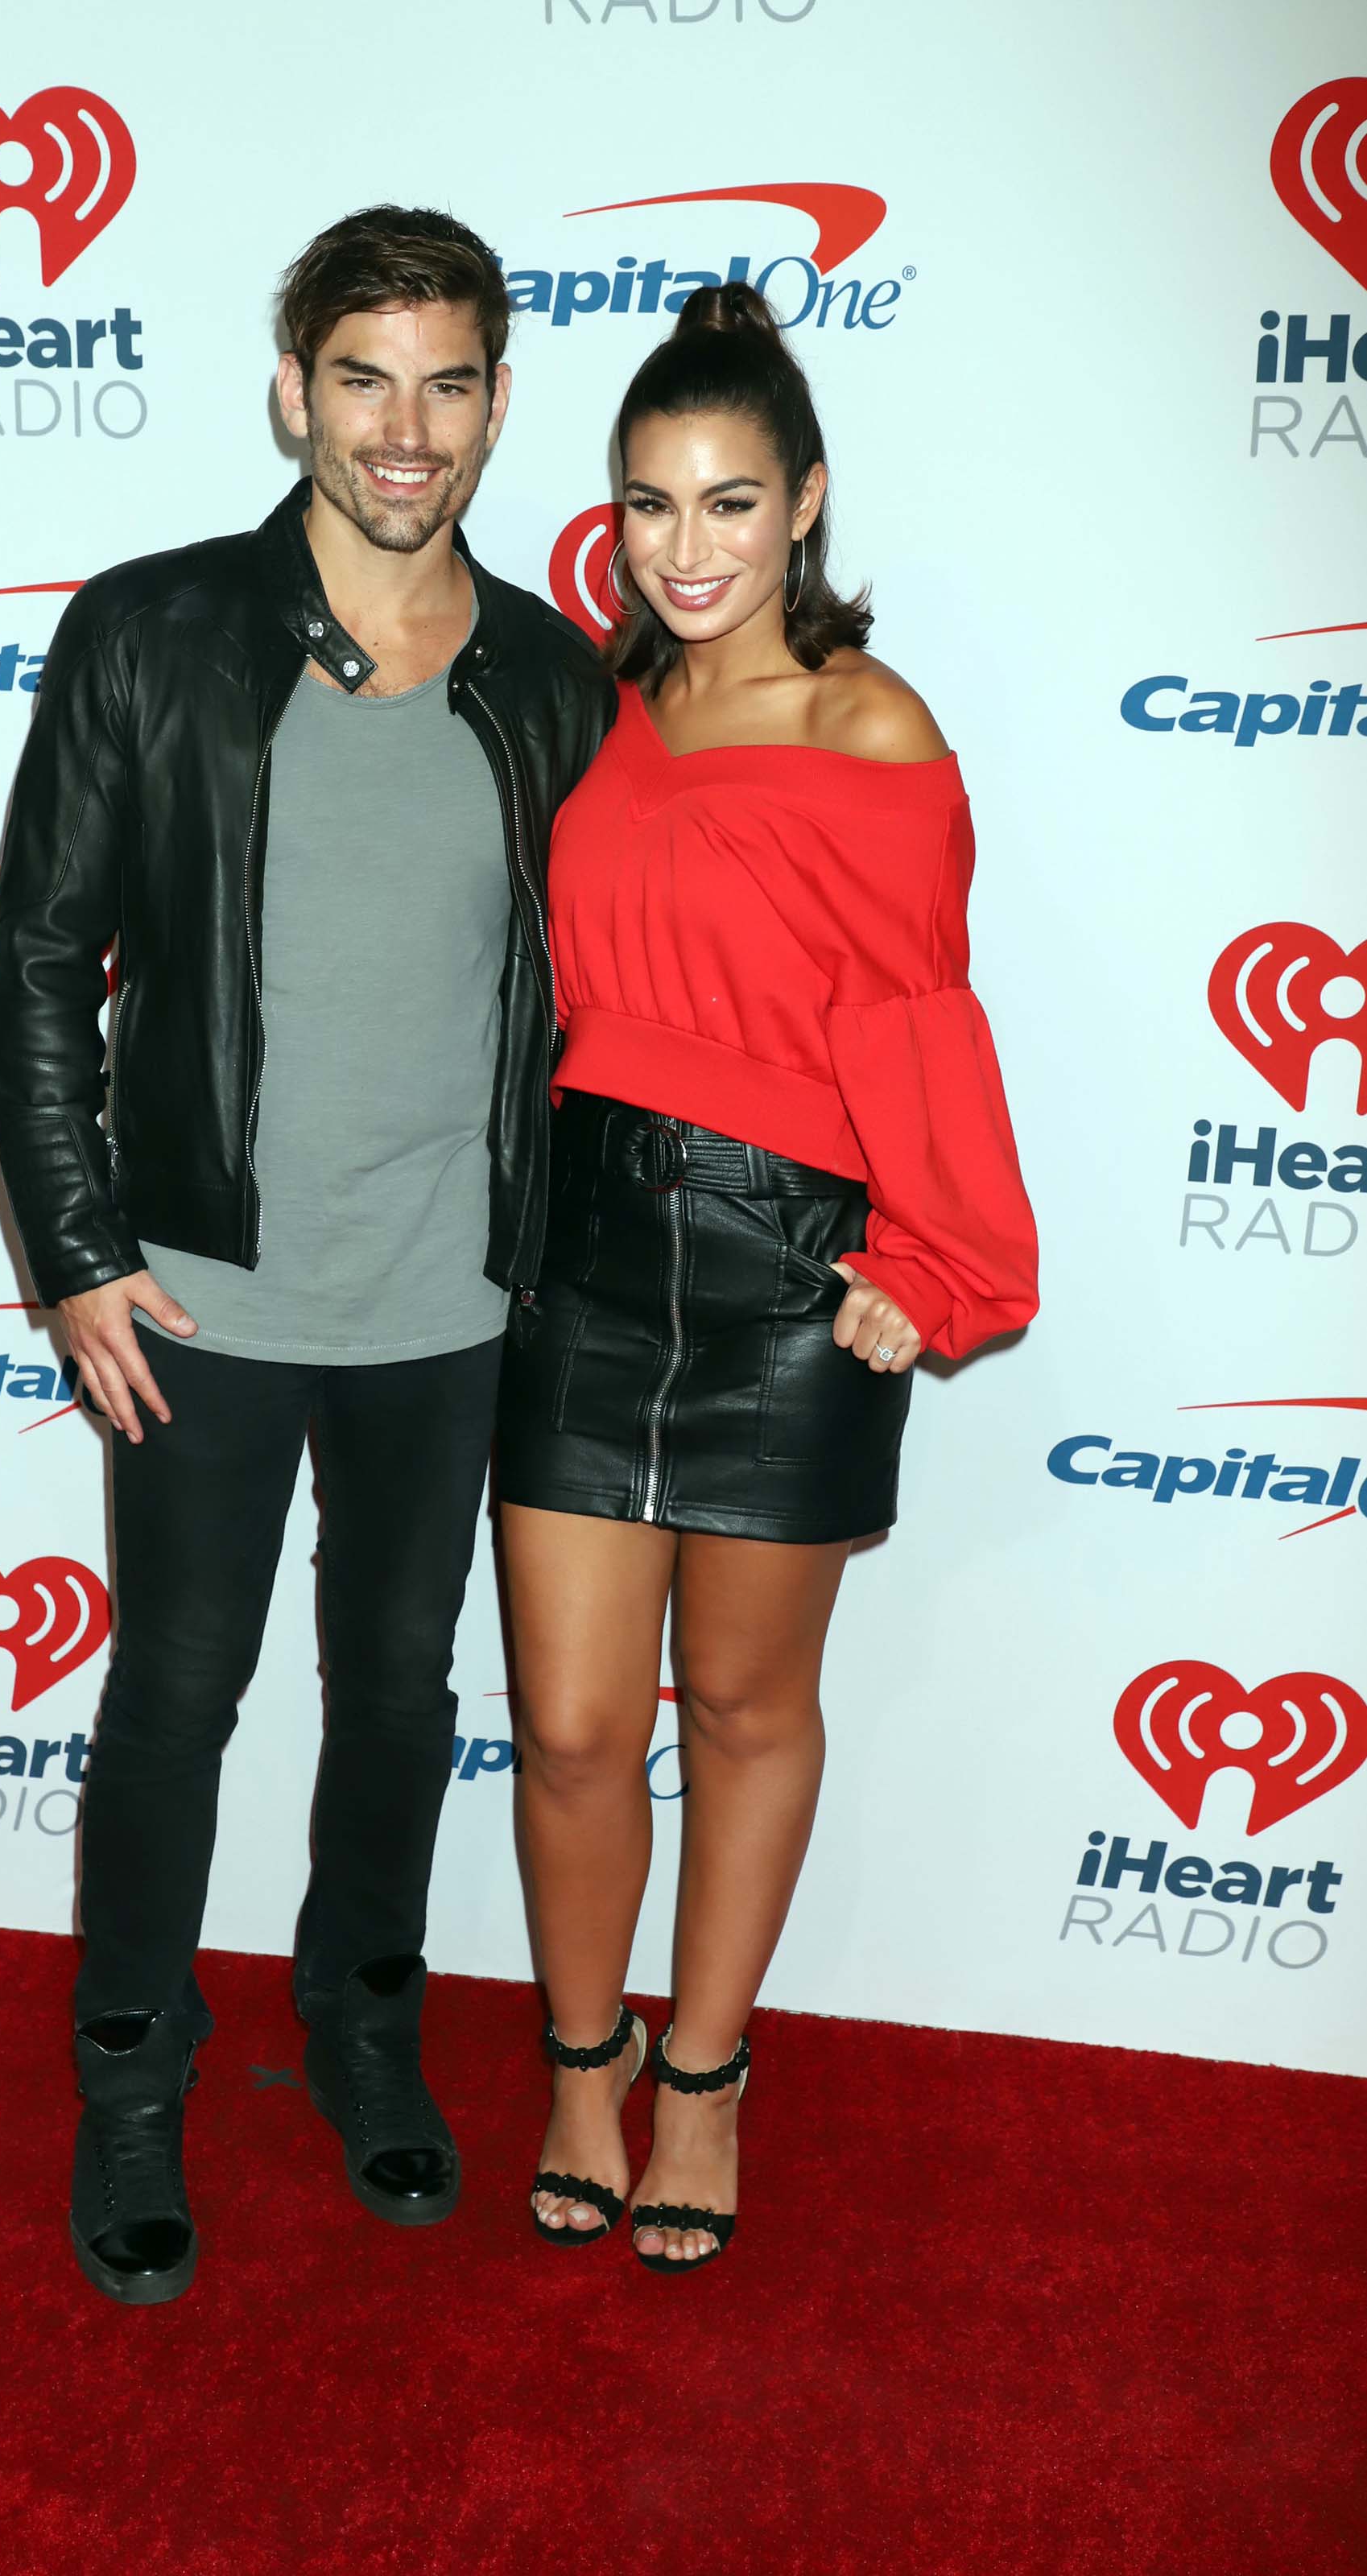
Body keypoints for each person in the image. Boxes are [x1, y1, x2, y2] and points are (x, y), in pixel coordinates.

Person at [0, 205, 613, 2304]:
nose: (404, 428)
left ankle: (363, 2031)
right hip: (207, 1296)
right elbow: (43, 964)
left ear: (499, 404)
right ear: (294, 392)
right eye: (364, 378)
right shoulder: (152, 634)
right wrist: (77, 1255)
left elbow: (604, 1004)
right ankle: (136, 2079)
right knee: (174, 1693)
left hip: (453, 1305)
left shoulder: (555, 683)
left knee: (400, 1699)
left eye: (447, 382)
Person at [496, 283, 1039, 2274]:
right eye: (652, 504)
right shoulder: (603, 705)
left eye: (732, 501)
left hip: (789, 1266)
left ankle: (704, 2077)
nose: (690, 546)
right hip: (583, 1240)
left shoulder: (868, 723)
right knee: (566, 1720)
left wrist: (936, 1258)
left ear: (806, 504)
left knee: (738, 1700)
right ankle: (579, 2061)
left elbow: (920, 1016)